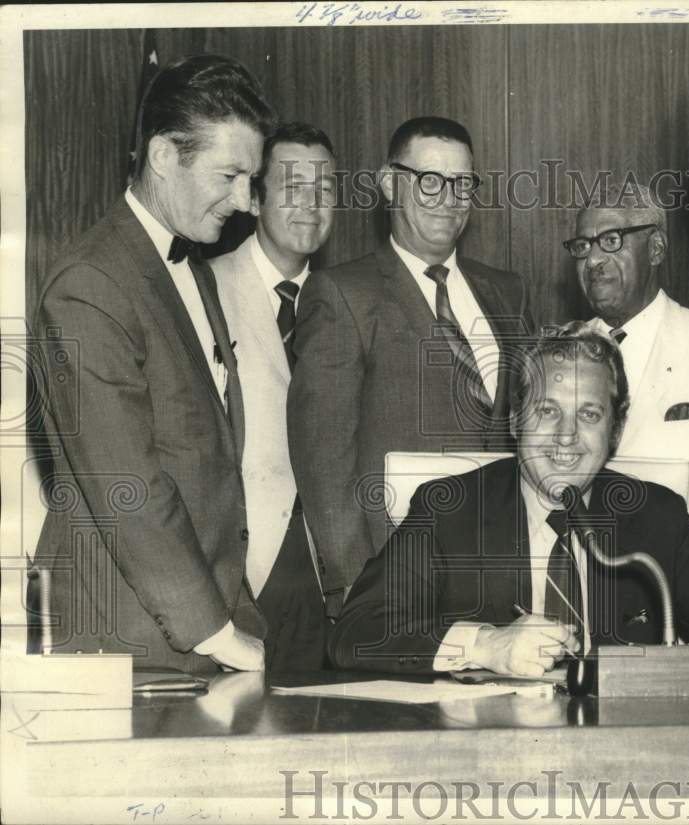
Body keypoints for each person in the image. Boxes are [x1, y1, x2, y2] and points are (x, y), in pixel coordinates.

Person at [328, 324, 689, 688]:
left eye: (588, 414)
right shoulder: (448, 508)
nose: (565, 437)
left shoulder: (653, 515)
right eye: (547, 411)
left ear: (615, 432)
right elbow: (355, 631)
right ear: (516, 420)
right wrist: (485, 645)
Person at [32, 54, 276, 672]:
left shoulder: (192, 266)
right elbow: (128, 485)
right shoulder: (90, 282)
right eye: (230, 175)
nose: (247, 202)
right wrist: (220, 635)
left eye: (252, 179)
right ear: (165, 155)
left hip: (202, 630)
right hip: (128, 643)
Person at [288, 116, 533, 615]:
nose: (449, 198)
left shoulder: (508, 292)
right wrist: (361, 594)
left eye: (463, 183)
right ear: (387, 183)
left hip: (499, 588)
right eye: (430, 181)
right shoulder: (341, 294)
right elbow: (324, 464)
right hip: (394, 584)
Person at [209, 122, 334, 671]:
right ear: (254, 198)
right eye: (291, 187)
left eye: (324, 189)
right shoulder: (202, 285)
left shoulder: (348, 299)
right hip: (245, 562)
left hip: (333, 560)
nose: (310, 204)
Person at [570, 183, 689, 549]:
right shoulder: (563, 355)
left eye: (611, 240)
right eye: (582, 247)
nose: (593, 260)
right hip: (591, 582)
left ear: (656, 249)